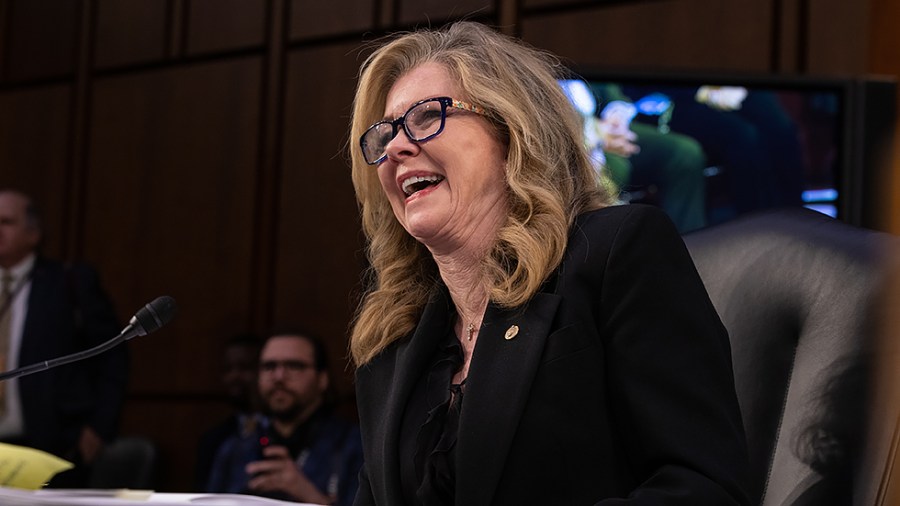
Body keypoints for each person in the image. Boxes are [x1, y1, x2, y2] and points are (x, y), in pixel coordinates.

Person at [347, 21, 751, 505]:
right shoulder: (392, 339)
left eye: (426, 116)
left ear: (513, 131)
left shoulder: (613, 253)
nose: (395, 147)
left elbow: (705, 486)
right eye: (384, 134)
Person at [0, 189, 127, 486]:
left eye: (5, 222)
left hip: (52, 445)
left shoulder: (69, 282)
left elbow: (113, 356)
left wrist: (98, 427)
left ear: (33, 234)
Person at [205, 331, 363, 506]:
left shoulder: (354, 445)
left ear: (322, 379)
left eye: (294, 366)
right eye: (269, 367)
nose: (279, 377)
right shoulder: (235, 448)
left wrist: (311, 497)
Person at [195, 332, 263, 491]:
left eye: (245, 368)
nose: (234, 376)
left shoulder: (286, 434)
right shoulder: (214, 439)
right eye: (228, 369)